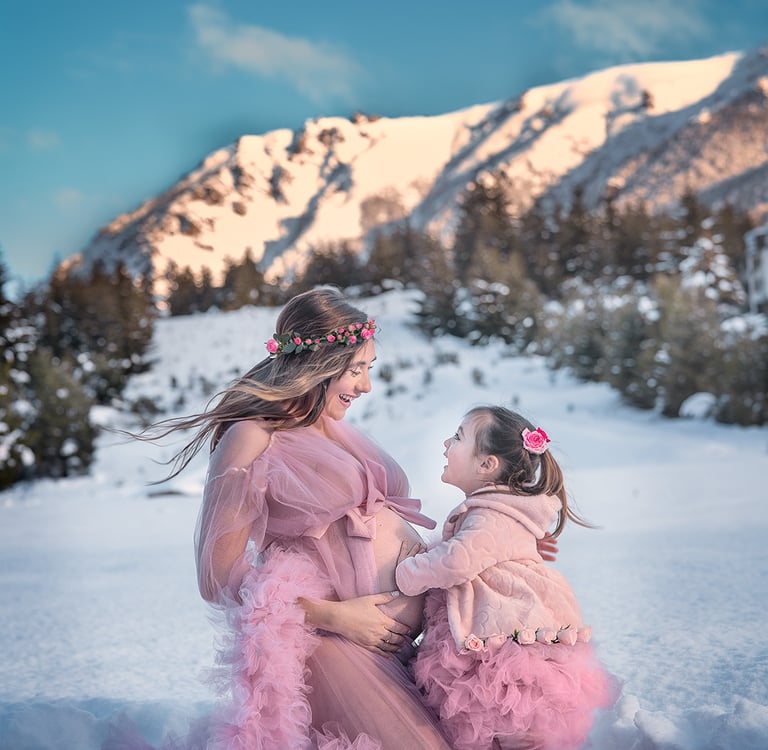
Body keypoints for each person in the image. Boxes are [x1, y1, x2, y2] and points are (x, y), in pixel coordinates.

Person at [394, 406, 617, 750]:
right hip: (502, 636)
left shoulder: (491, 514)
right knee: (507, 730)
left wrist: (408, 572)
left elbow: (457, 561)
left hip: (499, 650)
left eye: (457, 437)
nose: (445, 443)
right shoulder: (497, 508)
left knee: (505, 722)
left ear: (487, 465)